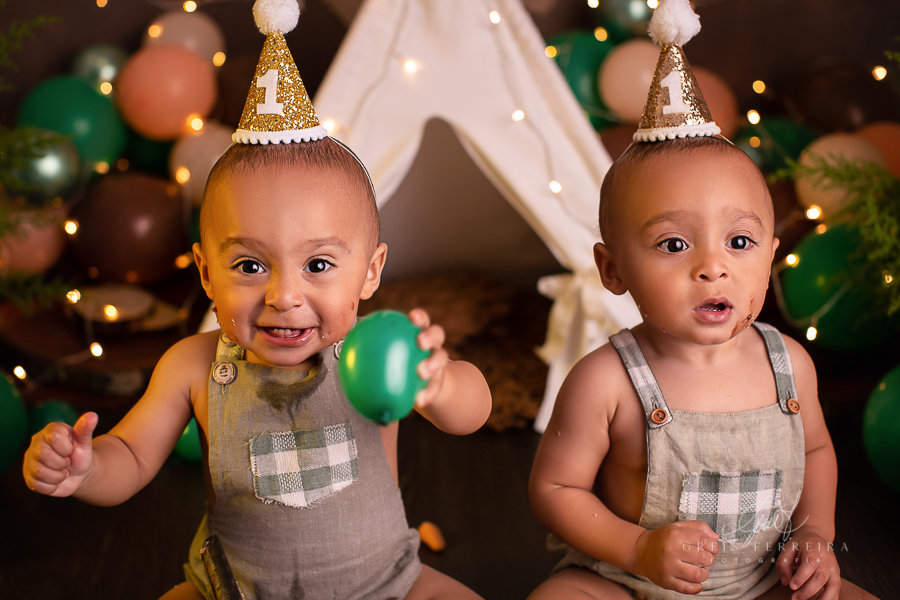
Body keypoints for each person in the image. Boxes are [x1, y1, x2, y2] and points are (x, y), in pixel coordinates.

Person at [22, 136, 492, 599]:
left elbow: (474, 412)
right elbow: (131, 454)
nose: (283, 296)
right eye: (250, 266)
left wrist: (444, 383)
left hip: (385, 586)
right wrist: (88, 470)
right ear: (207, 273)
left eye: (319, 263)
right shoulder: (192, 364)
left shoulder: (373, 347)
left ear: (371, 271)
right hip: (237, 591)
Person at [527, 135, 877, 600]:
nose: (713, 267)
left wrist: (813, 536)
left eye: (738, 241)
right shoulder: (606, 381)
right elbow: (556, 488)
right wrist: (637, 549)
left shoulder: (789, 365)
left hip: (761, 580)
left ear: (770, 255)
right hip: (629, 578)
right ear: (613, 270)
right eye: (673, 244)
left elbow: (814, 452)